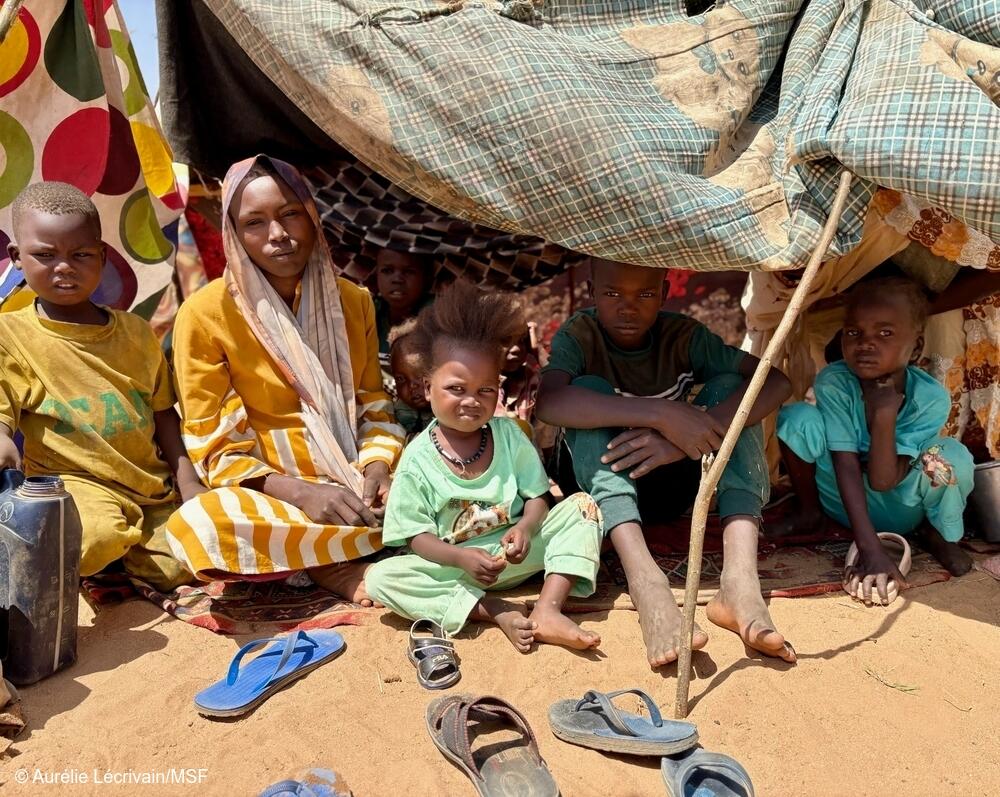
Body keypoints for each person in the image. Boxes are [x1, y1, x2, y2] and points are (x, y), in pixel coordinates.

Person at [164, 156, 404, 601]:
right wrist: (301, 494)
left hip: (353, 474)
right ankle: (335, 563)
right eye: (254, 223)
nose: (278, 235)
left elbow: (373, 402)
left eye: (290, 213)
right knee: (201, 525)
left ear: (313, 217)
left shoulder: (354, 301)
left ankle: (329, 553)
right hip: (272, 491)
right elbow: (215, 446)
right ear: (233, 234)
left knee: (449, 479)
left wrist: (377, 469)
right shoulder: (203, 314)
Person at [536, 257, 794, 668]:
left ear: (664, 294)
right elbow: (548, 402)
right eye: (612, 293)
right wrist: (659, 415)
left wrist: (693, 434)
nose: (627, 307)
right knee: (585, 390)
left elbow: (776, 379)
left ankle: (739, 583)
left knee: (733, 389)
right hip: (597, 492)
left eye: (644, 294)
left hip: (671, 479)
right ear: (591, 293)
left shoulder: (684, 336)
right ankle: (646, 582)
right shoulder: (580, 335)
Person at [366, 280, 603, 652]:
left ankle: (548, 607)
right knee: (381, 578)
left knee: (583, 506)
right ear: (428, 388)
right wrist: (460, 557)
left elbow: (539, 497)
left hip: (516, 556)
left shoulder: (509, 435)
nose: (471, 402)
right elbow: (416, 538)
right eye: (456, 389)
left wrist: (525, 527)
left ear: (498, 388)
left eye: (485, 390)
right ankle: (489, 608)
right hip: (455, 569)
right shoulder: (416, 459)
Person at [0, 182, 199, 590]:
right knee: (93, 541)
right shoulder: (10, 335)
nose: (64, 268)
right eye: (45, 255)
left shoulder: (136, 332)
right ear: (18, 259)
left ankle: (129, 551)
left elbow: (163, 414)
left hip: (150, 489)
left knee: (187, 562)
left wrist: (189, 481)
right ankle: (107, 548)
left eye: (81, 255)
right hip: (73, 486)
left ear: (103, 257)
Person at [776, 277, 974, 603]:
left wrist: (885, 414)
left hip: (902, 504)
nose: (866, 344)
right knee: (799, 420)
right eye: (854, 333)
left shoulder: (930, 397)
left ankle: (937, 533)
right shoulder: (835, 381)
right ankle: (809, 512)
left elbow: (884, 481)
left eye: (885, 333)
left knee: (952, 457)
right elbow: (845, 463)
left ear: (917, 348)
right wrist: (871, 550)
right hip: (841, 498)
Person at [373, 249, 434, 367]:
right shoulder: (369, 312)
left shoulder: (437, 315)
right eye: (387, 271)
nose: (397, 279)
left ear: (426, 278)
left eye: (408, 272)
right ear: (376, 275)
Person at [388, 318, 434, 438]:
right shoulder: (394, 414)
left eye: (420, 375)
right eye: (401, 379)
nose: (412, 386)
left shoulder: (449, 414)